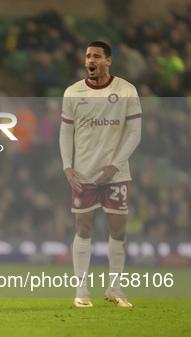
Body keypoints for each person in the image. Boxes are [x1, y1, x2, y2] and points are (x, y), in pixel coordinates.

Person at [59, 41, 142, 307]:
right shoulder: (73, 92)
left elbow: (134, 133)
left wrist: (115, 166)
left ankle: (114, 289)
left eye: (96, 56)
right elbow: (66, 132)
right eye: (87, 56)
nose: (90, 60)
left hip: (116, 174)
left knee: (118, 231)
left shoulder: (126, 90)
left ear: (108, 61)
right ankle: (81, 292)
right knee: (83, 229)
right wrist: (66, 165)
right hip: (83, 173)